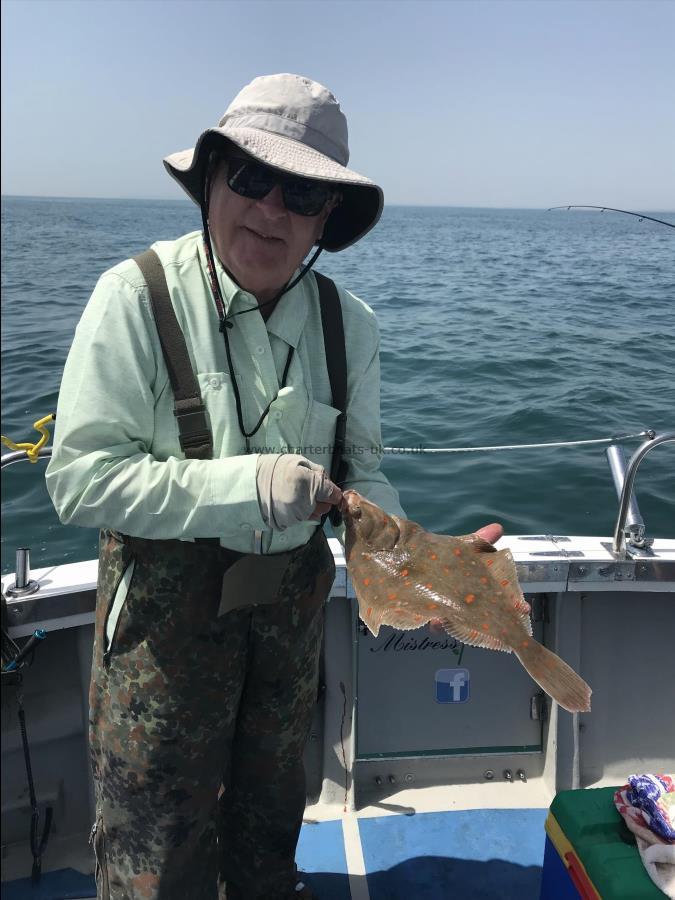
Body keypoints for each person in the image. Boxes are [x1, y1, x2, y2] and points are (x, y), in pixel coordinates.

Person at [46, 73, 502, 899]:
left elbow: (362, 474)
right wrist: (250, 486)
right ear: (211, 181)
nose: (270, 209)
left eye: (301, 193)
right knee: (155, 855)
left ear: (326, 217)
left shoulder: (349, 323)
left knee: (269, 823)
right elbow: (79, 480)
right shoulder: (131, 298)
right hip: (160, 636)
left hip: (289, 625)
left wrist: (422, 558)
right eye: (250, 179)